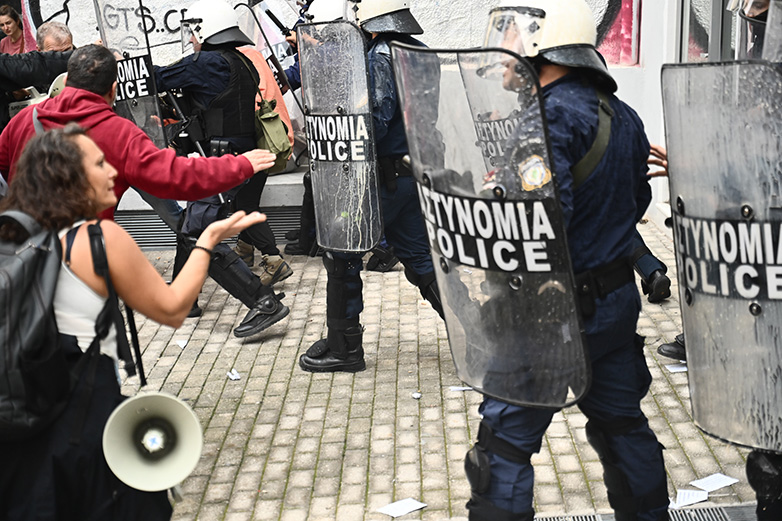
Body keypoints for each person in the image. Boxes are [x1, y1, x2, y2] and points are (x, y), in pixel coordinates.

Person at [463, 1, 670, 520]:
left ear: (543, 47)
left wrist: (490, 207)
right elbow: (633, 205)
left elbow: (536, 224)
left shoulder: (547, 116)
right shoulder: (622, 115)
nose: (506, 54)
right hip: (613, 307)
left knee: (503, 449)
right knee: (623, 429)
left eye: (515, 39)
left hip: (546, 313)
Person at [0, 123, 266, 519]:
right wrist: (207, 242)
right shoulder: (96, 238)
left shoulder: (12, 235)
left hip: (22, 427)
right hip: (83, 423)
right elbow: (173, 308)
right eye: (99, 164)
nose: (113, 171)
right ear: (67, 178)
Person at [0, 44, 289, 338]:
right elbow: (177, 176)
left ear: (67, 79)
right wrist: (239, 165)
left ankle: (225, 299)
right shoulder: (117, 133)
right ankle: (253, 299)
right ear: (114, 89)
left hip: (24, 266)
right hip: (82, 276)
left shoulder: (24, 120)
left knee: (188, 227)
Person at [297, 0, 444, 373]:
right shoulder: (418, 50)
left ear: (370, 18)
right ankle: (479, 336)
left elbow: (373, 123)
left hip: (380, 180)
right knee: (420, 259)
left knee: (342, 253)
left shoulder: (381, 55)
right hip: (409, 173)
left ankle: (344, 347)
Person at [154, 0, 291, 335]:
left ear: (208, 29)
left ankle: (263, 302)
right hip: (238, 154)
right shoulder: (240, 60)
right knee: (192, 226)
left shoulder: (206, 63)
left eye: (194, 32)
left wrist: (117, 64)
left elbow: (158, 78)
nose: (190, 39)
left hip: (220, 158)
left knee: (198, 232)